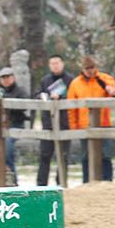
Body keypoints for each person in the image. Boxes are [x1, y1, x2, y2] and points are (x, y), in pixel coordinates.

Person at [67, 55, 115, 182]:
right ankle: (87, 180)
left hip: (103, 123)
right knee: (86, 155)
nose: (90, 71)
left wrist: (110, 88)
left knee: (105, 153)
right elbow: (71, 108)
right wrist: (74, 127)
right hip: (84, 125)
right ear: (82, 69)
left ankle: (107, 180)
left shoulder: (104, 79)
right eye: (87, 68)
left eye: (92, 67)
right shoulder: (75, 83)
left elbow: (114, 89)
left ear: (96, 67)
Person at [35, 54, 74, 186]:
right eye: (52, 63)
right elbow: (38, 94)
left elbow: (74, 96)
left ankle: (61, 183)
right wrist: (44, 97)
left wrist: (61, 97)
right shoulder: (45, 80)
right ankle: (41, 184)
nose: (55, 66)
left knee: (63, 156)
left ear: (62, 63)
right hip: (48, 122)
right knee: (44, 155)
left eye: (57, 63)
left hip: (64, 122)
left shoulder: (70, 80)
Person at [0, 67, 29, 185]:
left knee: (8, 149)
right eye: (3, 78)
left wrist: (9, 104)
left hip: (16, 124)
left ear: (13, 77)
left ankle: (13, 179)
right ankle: (1, 178)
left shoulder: (20, 91)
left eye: (7, 77)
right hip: (2, 126)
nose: (5, 80)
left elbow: (24, 105)